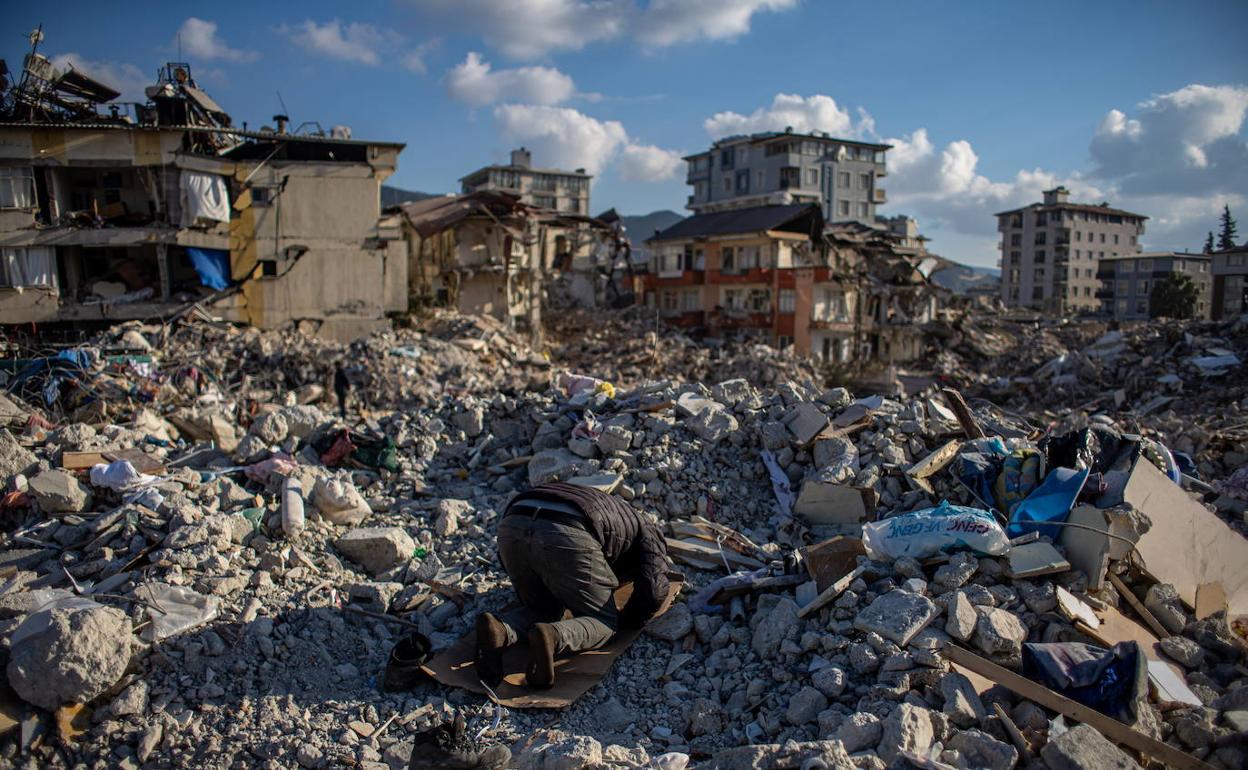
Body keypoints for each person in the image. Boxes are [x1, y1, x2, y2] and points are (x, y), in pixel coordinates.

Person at [474, 482, 671, 689]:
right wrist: (628, 620)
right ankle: (553, 637)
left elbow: (510, 561)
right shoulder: (649, 530)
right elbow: (654, 587)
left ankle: (500, 630)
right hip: (567, 528)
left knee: (541, 608)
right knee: (604, 621)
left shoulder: (612, 511)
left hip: (513, 522)